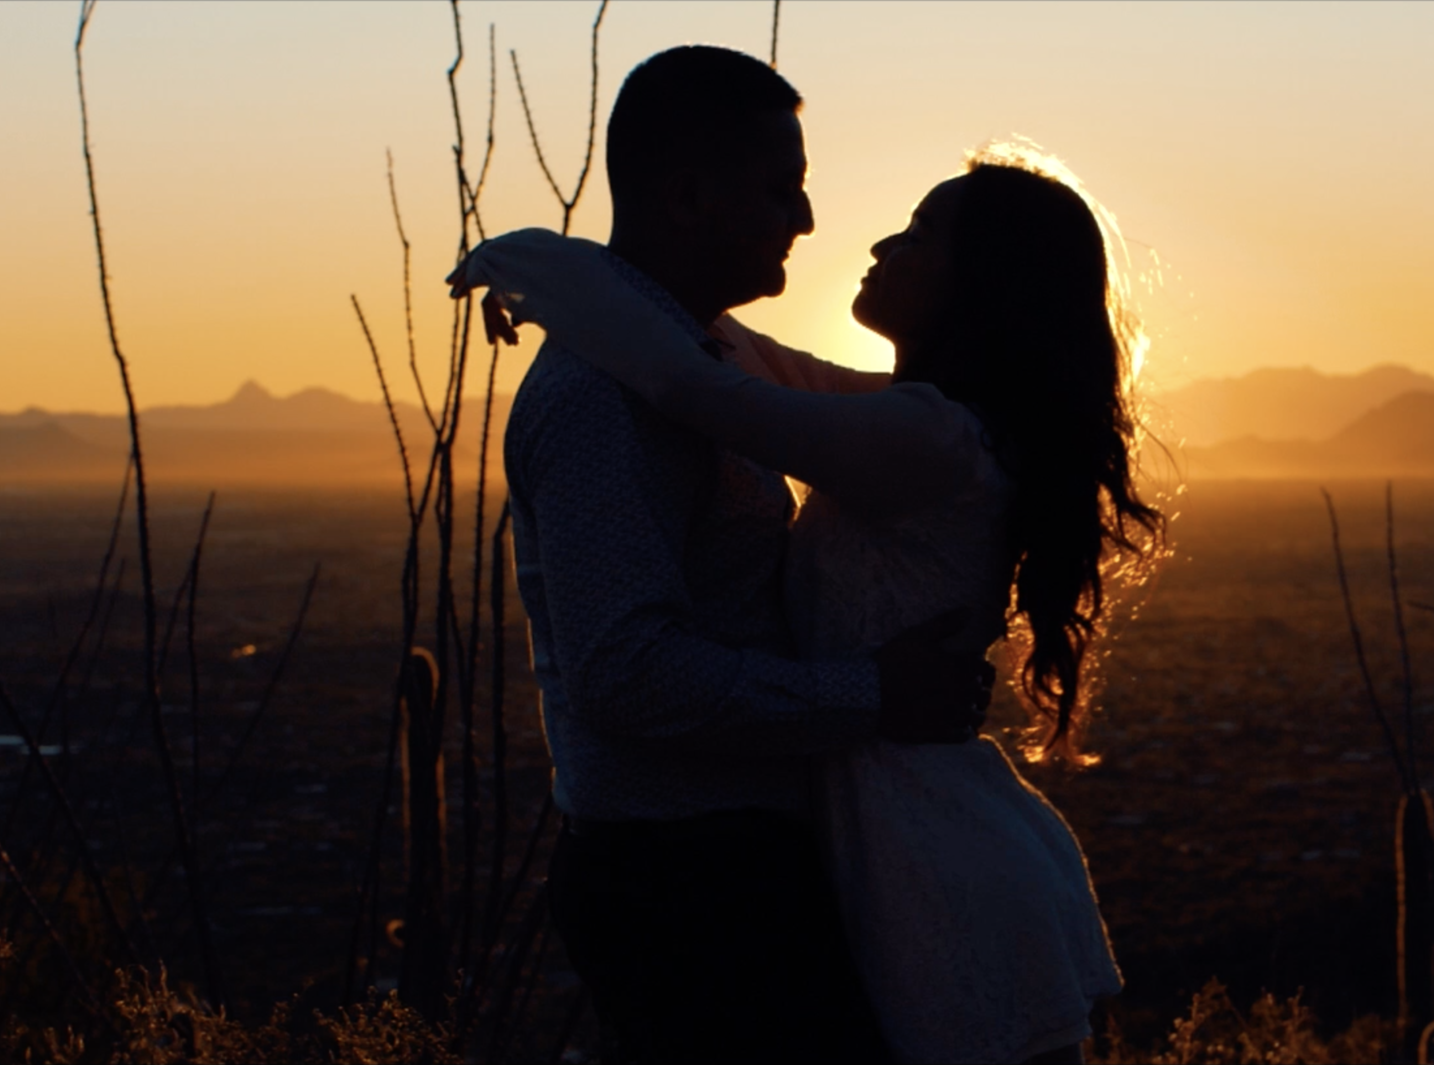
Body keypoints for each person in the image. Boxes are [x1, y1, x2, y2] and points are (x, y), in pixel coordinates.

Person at [457, 140, 1163, 1063]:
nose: (878, 245)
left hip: (925, 851)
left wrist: (527, 268)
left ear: (981, 285)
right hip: (898, 831)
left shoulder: (924, 436)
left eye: (917, 235)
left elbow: (696, 385)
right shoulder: (915, 419)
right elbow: (734, 355)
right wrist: (547, 273)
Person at [489, 46, 998, 1065]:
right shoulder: (603, 399)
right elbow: (624, 672)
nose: (805, 219)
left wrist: (539, 270)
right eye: (781, 189)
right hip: (685, 886)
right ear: (687, 197)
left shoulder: (702, 362)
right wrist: (873, 693)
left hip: (730, 871)